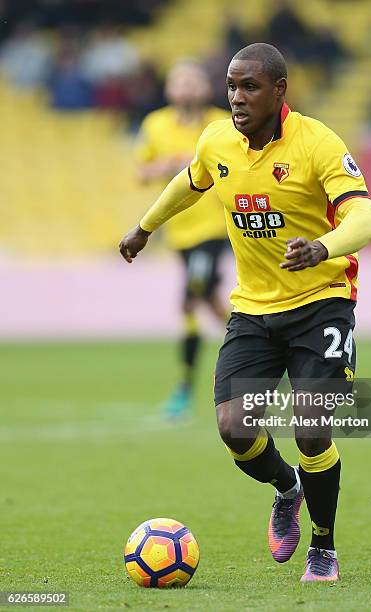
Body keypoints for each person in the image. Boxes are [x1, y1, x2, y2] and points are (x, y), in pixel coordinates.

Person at [120, 43, 371, 582]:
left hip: (322, 302)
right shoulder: (217, 139)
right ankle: (288, 488)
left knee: (312, 428)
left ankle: (324, 548)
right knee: (233, 427)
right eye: (232, 87)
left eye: (250, 87)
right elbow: (189, 182)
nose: (237, 98)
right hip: (255, 309)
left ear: (280, 90)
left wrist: (324, 246)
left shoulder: (318, 143)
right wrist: (145, 227)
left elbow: (367, 220)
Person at [135, 60, 230, 418]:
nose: (186, 88)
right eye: (180, 82)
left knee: (190, 301)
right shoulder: (155, 124)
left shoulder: (222, 123)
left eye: (193, 82)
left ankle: (184, 389)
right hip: (179, 231)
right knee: (211, 302)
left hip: (215, 226)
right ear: (169, 89)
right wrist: (161, 167)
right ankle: (270, 351)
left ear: (205, 89)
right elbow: (140, 171)